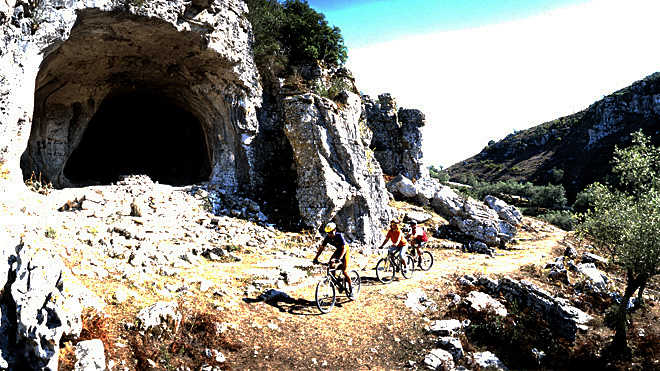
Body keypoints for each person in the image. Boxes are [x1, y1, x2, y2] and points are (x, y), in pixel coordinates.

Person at [313, 222, 353, 295]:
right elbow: (321, 248)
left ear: (334, 231)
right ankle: (335, 281)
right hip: (338, 250)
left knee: (344, 271)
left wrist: (339, 258)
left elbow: (344, 249)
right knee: (331, 263)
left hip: (345, 250)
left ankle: (351, 287)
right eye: (328, 233)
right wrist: (316, 258)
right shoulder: (328, 238)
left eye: (331, 233)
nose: (329, 235)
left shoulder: (339, 236)